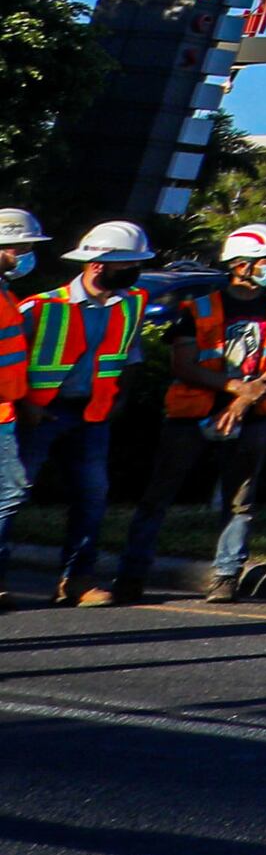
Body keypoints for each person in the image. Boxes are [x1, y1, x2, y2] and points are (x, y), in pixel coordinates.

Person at [120, 224, 266, 602]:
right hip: (190, 417)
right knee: (158, 496)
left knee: (239, 503)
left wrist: (245, 401)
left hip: (252, 417)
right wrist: (236, 389)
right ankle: (131, 575)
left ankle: (226, 577)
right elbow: (183, 364)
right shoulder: (198, 309)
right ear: (241, 265)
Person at [25, 224, 158, 607]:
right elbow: (10, 364)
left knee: (92, 496)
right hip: (40, 416)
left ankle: (77, 581)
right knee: (11, 497)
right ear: (98, 266)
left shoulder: (131, 302)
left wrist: (121, 397)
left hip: (92, 414)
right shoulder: (41, 307)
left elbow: (130, 354)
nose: (136, 270)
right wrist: (27, 405)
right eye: (129, 263)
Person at [0, 208, 43, 554]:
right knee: (10, 492)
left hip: (6, 414)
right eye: (20, 248)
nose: (27, 255)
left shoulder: (6, 294)